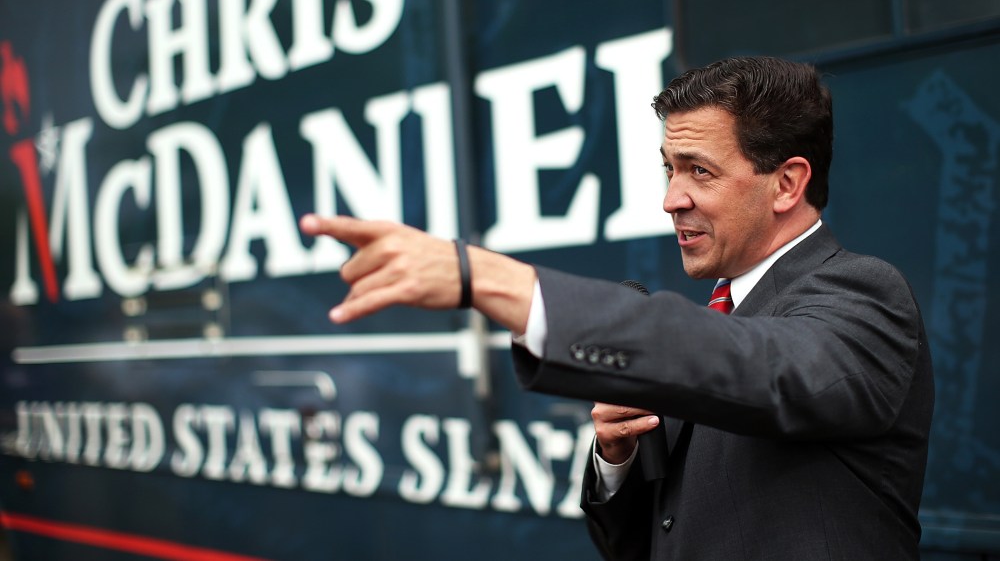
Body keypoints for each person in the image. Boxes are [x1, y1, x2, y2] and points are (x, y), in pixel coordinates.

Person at [299, 56, 934, 560]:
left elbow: (762, 367)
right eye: (667, 169)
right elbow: (644, 539)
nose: (671, 200)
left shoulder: (862, 294)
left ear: (788, 183)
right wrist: (616, 459)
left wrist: (491, 279)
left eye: (699, 172)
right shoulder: (717, 319)